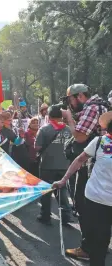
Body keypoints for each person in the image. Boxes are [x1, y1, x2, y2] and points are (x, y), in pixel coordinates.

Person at [52, 111, 112, 266]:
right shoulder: (100, 142)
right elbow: (79, 160)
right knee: (99, 242)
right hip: (96, 200)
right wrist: (63, 180)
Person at [60, 84, 109, 260]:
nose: (70, 104)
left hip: (90, 167)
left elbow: (80, 136)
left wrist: (70, 120)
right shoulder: (101, 106)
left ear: (79, 96)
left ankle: (88, 247)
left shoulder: (92, 108)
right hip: (99, 165)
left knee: (83, 204)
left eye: (70, 100)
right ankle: (98, 243)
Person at [34, 105, 72, 225]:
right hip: (64, 165)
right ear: (61, 117)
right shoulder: (69, 129)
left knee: (46, 191)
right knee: (63, 191)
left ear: (49, 117)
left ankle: (45, 215)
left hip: (47, 165)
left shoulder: (44, 130)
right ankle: (66, 216)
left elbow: (37, 147)